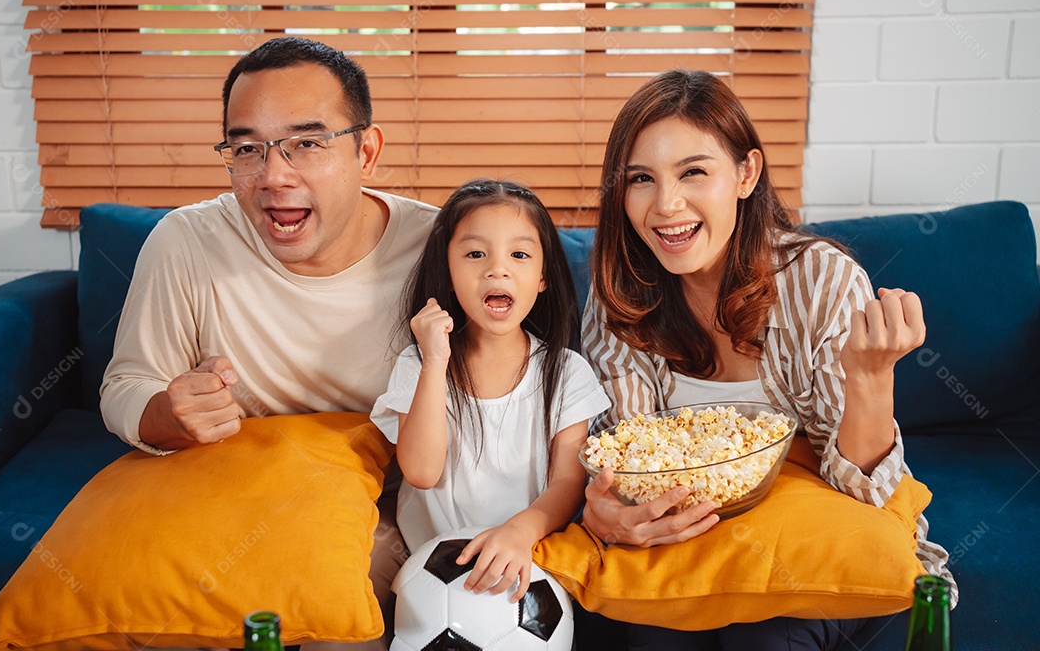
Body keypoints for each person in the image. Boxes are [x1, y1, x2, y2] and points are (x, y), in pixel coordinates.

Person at [578, 69, 956, 650]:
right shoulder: (619, 293)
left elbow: (864, 491)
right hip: (684, 544)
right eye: (641, 179)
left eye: (693, 172)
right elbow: (629, 463)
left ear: (746, 174)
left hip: (806, 537)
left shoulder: (824, 282)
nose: (666, 205)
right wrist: (604, 511)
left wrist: (872, 376)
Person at [100, 36, 438, 650]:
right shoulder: (186, 241)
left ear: (366, 151)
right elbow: (126, 387)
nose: (273, 176)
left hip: (375, 509)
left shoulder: (440, 248)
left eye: (307, 143)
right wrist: (169, 412)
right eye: (247, 149)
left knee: (338, 599)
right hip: (229, 495)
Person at [370, 179, 610, 602]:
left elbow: (567, 483)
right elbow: (421, 472)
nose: (497, 270)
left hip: (527, 557)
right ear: (447, 274)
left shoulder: (567, 372)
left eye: (519, 255)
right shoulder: (419, 363)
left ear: (543, 277)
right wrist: (435, 360)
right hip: (430, 570)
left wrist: (520, 531)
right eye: (476, 254)